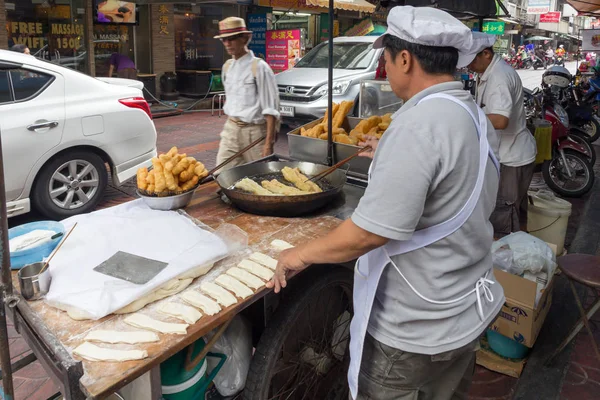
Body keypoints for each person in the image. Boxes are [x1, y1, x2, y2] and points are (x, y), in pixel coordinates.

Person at [267, 6, 504, 400]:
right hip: (462, 313)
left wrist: (300, 254)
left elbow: (370, 232)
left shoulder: (417, 125)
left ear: (406, 59)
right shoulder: (470, 114)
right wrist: (387, 150)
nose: (385, 67)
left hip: (414, 328)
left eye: (386, 58)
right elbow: (450, 177)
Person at [468, 33, 537, 236]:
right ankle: (520, 252)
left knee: (504, 215)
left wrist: (467, 118)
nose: (468, 66)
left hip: (511, 158)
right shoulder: (491, 72)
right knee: (515, 212)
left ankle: (507, 263)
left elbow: (500, 120)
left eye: (472, 60)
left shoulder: (499, 77)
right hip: (513, 153)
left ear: (486, 54)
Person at [214, 17, 279, 169]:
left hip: (255, 132)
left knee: (260, 177)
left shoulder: (259, 67)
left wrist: (268, 143)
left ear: (245, 38)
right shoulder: (227, 67)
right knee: (222, 173)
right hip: (231, 129)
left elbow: (271, 110)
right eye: (224, 40)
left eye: (232, 39)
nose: (227, 44)